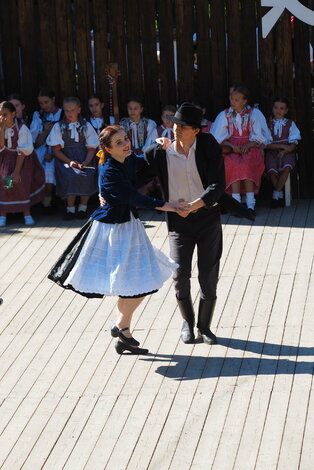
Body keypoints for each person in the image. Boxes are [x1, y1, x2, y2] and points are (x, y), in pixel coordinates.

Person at [48, 125, 185, 355]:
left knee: (137, 283)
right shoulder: (110, 170)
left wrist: (159, 145)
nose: (126, 144)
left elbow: (141, 161)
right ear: (108, 149)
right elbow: (134, 197)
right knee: (138, 282)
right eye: (119, 142)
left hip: (129, 226)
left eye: (125, 138)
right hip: (111, 231)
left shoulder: (126, 159)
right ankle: (122, 330)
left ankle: (123, 330)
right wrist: (170, 206)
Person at [139, 103, 226, 345]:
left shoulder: (208, 146)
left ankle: (205, 327)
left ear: (196, 130)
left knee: (208, 273)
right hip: (178, 221)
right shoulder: (161, 152)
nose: (176, 128)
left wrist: (195, 205)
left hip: (207, 217)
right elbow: (134, 170)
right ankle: (187, 321)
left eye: (182, 125)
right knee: (180, 273)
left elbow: (218, 185)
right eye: (175, 123)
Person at [210, 85, 269, 215]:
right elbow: (217, 137)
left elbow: (261, 136)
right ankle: (235, 203)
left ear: (245, 101)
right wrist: (231, 146)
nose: (233, 102)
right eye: (232, 99)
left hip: (250, 146)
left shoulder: (254, 113)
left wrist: (248, 145)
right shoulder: (225, 115)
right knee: (233, 164)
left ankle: (250, 204)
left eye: (237, 100)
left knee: (247, 165)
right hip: (232, 148)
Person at [47, 96, 99, 220]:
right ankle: (70, 209)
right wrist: (70, 162)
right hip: (65, 159)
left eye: (72, 110)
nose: (69, 114)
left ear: (79, 110)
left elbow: (92, 147)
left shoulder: (86, 126)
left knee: (88, 173)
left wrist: (86, 161)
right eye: (67, 111)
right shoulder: (59, 127)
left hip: (84, 158)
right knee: (71, 175)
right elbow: (56, 150)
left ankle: (82, 208)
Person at [0, 101, 45, 226]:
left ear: (13, 114)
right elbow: (1, 146)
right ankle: (3, 214)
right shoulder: (1, 127)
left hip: (22, 160)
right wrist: (1, 128)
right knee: (4, 183)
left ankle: (27, 213)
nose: (2, 118)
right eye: (0, 115)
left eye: (5, 114)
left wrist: (16, 171)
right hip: (4, 158)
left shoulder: (22, 128)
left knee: (21, 183)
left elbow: (23, 151)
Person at [30, 87, 63, 211]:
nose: (44, 106)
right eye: (41, 103)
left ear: (53, 99)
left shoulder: (63, 114)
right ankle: (41, 201)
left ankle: (49, 200)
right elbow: (35, 143)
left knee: (50, 170)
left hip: (59, 149)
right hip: (42, 149)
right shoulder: (38, 116)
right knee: (40, 167)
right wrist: (46, 131)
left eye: (46, 102)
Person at [265, 97, 301, 208]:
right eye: (276, 108)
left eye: (282, 108)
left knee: (286, 168)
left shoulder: (290, 124)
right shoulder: (267, 123)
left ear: (286, 111)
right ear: (272, 108)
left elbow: (293, 145)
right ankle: (278, 194)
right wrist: (281, 146)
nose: (278, 111)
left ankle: (276, 195)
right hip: (272, 152)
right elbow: (266, 144)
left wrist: (285, 151)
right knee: (271, 170)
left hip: (286, 153)